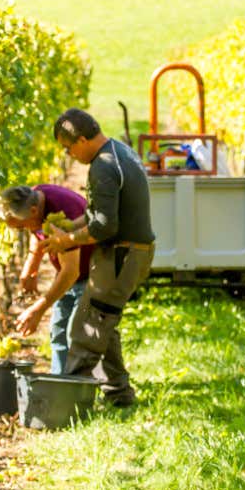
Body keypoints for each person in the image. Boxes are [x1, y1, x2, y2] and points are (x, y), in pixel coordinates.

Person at [40, 108, 154, 406]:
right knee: (104, 323)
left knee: (87, 327)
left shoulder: (102, 166)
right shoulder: (118, 150)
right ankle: (119, 395)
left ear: (80, 139)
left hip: (121, 256)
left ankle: (68, 403)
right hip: (128, 253)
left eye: (68, 148)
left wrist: (67, 240)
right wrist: (71, 225)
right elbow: (96, 215)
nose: (70, 155)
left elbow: (104, 226)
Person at [0, 184, 93, 375]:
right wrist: (31, 267)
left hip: (92, 273)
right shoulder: (32, 199)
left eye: (22, 227)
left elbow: (71, 271)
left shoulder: (62, 211)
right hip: (72, 274)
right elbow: (37, 233)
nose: (24, 231)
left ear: (33, 211)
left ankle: (79, 391)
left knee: (77, 332)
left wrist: (38, 309)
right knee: (58, 331)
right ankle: (60, 385)